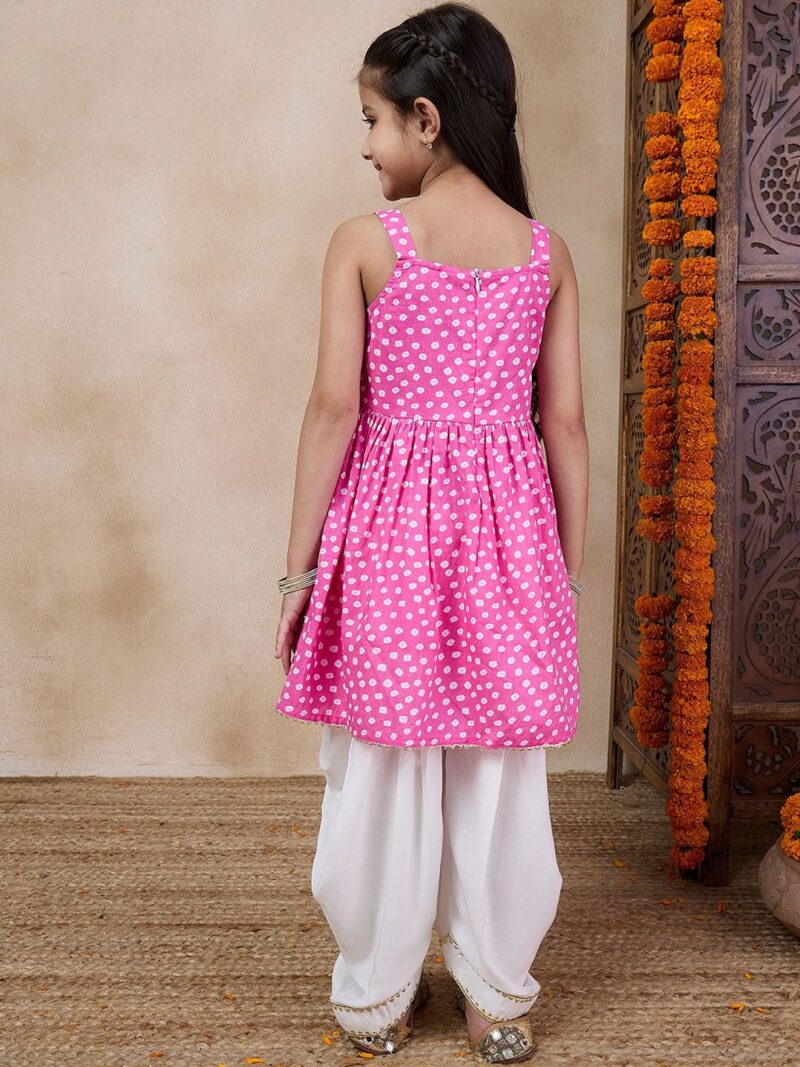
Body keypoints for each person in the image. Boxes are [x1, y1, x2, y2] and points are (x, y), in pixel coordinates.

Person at [273, 3, 588, 1061]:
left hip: (389, 539)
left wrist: (297, 575)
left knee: (384, 759)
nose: (365, 146)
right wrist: (563, 574)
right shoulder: (545, 253)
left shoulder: (366, 244)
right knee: (498, 766)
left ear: (425, 117)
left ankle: (379, 991)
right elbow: (564, 426)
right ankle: (495, 991)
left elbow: (333, 410)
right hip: (512, 541)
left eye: (371, 120)